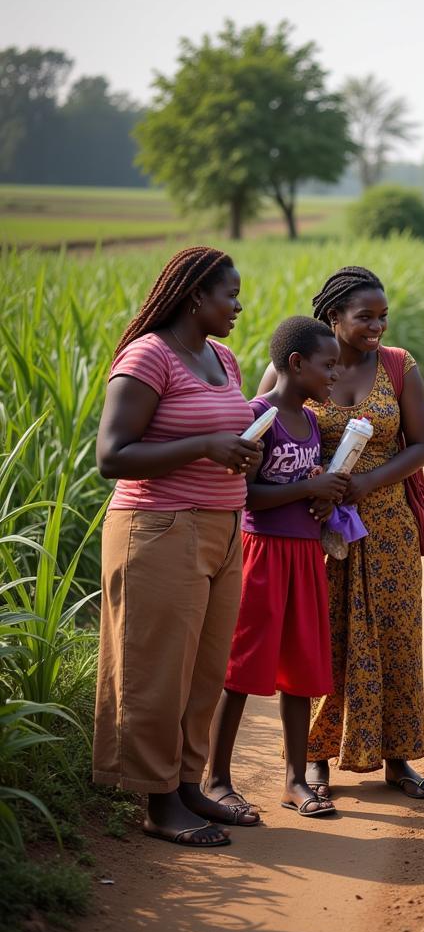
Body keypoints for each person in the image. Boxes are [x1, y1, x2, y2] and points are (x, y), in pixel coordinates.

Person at [94, 245, 262, 847]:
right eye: (230, 295)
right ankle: (158, 801)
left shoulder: (222, 357)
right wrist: (205, 447)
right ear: (196, 298)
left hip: (221, 528)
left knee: (205, 671)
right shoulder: (149, 356)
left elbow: (223, 433)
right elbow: (112, 455)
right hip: (158, 529)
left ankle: (189, 784)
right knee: (158, 672)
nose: (238, 306)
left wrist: (241, 450)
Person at [258, 266, 424, 800]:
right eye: (365, 316)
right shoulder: (300, 365)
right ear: (333, 317)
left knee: (396, 634)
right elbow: (259, 424)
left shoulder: (399, 367)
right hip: (314, 527)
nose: (377, 326)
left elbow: (421, 446)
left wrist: (365, 482)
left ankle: (398, 757)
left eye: (383, 316)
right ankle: (315, 758)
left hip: (386, 526)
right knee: (324, 638)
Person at [205, 317, 347, 821]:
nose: (334, 375)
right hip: (261, 552)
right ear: (296, 363)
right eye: (327, 366)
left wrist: (325, 499)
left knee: (302, 669)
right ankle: (217, 778)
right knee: (242, 668)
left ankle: (294, 778)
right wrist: (307, 489)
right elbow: (245, 493)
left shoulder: (310, 422)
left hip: (305, 555)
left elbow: (304, 489)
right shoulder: (258, 415)